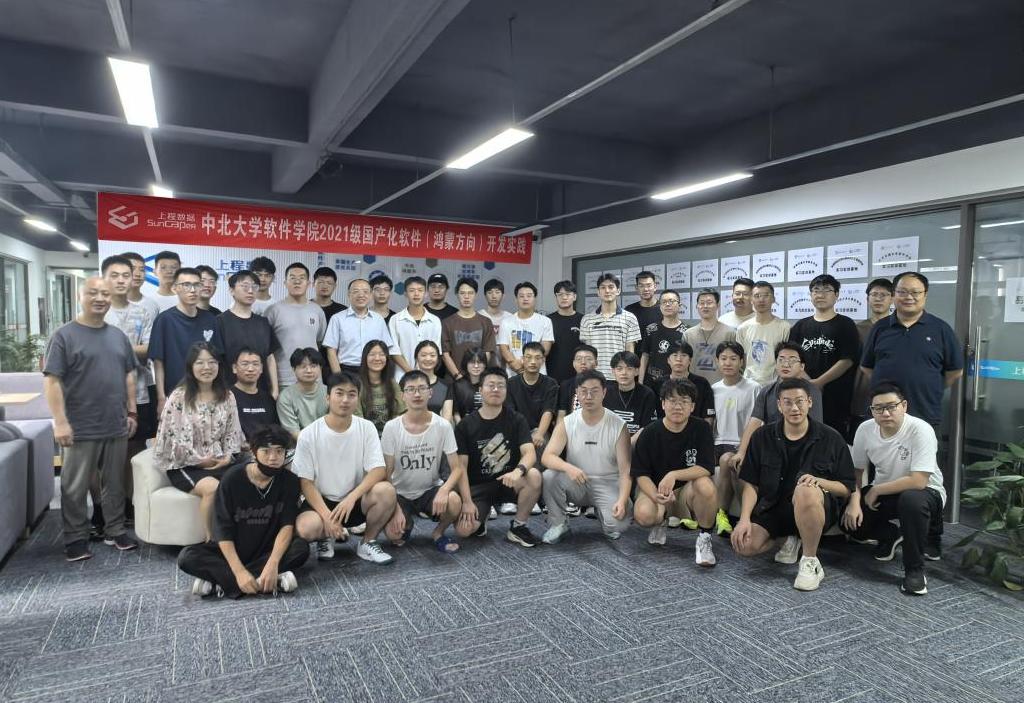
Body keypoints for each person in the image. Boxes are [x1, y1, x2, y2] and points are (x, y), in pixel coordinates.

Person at [44, 276, 139, 561]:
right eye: (93, 293)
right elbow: (52, 381)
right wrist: (60, 422)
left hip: (115, 422)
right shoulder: (63, 335)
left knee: (115, 482)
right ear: (79, 296)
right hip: (79, 425)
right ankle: (75, 537)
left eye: (105, 294)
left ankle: (115, 530)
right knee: (74, 485)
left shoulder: (118, 336)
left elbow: (129, 374)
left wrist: (131, 411)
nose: (100, 298)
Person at [731, 378, 855, 591]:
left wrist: (819, 482)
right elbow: (751, 483)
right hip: (774, 507)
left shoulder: (831, 437)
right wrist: (744, 519)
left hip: (814, 508)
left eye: (799, 401)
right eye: (787, 402)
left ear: (810, 402)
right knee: (745, 545)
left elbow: (846, 487)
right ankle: (788, 538)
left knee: (805, 490)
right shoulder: (762, 436)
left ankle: (810, 561)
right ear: (779, 405)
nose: (794, 408)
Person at [177, 425, 308, 598]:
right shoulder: (233, 479)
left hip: (265, 549)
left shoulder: (290, 481)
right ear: (254, 453)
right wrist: (239, 572)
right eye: (266, 451)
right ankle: (265, 581)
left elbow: (286, 526)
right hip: (233, 549)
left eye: (279, 451)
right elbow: (222, 531)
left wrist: (272, 564)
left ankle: (221, 583)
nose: (273, 458)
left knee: (300, 548)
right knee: (187, 557)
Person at [843, 383, 946, 596]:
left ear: (904, 406)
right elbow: (856, 472)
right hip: (887, 491)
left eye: (891, 406)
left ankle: (914, 570)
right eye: (878, 408)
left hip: (926, 492)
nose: (885, 413)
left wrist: (877, 490)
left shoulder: (920, 429)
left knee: (911, 501)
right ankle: (891, 535)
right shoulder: (865, 429)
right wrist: (854, 502)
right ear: (872, 410)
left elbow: (918, 481)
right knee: (850, 522)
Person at [293, 371, 402, 564]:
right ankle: (325, 537)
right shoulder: (309, 434)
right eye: (339, 393)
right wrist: (327, 516)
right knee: (306, 528)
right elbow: (306, 482)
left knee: (386, 491)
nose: (345, 400)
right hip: (322, 501)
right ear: (328, 397)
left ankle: (368, 542)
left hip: (355, 500)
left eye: (351, 394)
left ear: (357, 399)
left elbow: (378, 470)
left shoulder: (366, 427)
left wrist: (351, 498)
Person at [152, 342, 246, 541]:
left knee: (246, 480)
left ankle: (244, 538)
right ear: (191, 367)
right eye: (200, 363)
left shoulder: (227, 396)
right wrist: (199, 461)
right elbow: (171, 438)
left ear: (219, 365)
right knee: (212, 488)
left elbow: (233, 432)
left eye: (212, 362)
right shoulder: (178, 397)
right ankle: (211, 541)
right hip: (185, 464)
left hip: (219, 460)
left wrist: (228, 457)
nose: (206, 367)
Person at [630, 378, 718, 566]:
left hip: (686, 492)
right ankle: (660, 520)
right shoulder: (650, 432)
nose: (678, 406)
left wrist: (674, 474)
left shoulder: (701, 428)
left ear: (692, 406)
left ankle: (704, 538)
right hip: (656, 490)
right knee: (644, 515)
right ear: (663, 404)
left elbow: (705, 467)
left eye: (684, 401)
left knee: (705, 484)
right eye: (672, 401)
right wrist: (655, 495)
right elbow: (641, 473)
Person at [382, 370, 473, 552]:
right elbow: (386, 473)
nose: (417, 394)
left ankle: (438, 533)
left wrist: (444, 490)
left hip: (429, 490)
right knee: (394, 535)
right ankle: (406, 524)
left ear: (430, 392)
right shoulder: (391, 427)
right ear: (403, 395)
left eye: (422, 388)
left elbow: (457, 468)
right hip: (400, 493)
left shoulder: (443, 425)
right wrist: (395, 508)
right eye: (411, 389)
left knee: (454, 500)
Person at [860, 272, 963, 429]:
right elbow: (867, 367)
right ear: (894, 295)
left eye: (915, 292)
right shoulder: (880, 328)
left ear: (925, 295)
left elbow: (955, 371)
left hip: (924, 411)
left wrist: (931, 386)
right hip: (884, 413)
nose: (909, 297)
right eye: (902, 292)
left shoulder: (941, 329)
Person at [454, 367, 543, 546]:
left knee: (533, 475)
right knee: (464, 531)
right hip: (478, 487)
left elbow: (529, 453)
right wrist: (467, 501)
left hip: (508, 481)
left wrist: (518, 471)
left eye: (501, 386)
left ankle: (518, 527)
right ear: (480, 390)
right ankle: (482, 516)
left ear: (506, 390)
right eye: (491, 385)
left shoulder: (517, 419)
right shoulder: (465, 425)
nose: (496, 389)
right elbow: (461, 467)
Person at [541, 369, 632, 542]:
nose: (588, 396)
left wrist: (622, 500)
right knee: (549, 476)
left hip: (608, 483)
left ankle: (603, 512)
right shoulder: (568, 422)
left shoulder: (619, 425)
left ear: (604, 392)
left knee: (619, 525)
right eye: (583, 391)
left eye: (594, 391)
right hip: (577, 482)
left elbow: (625, 471)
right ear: (577, 392)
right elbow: (547, 456)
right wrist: (568, 467)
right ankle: (559, 523)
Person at [102, 255, 154, 523]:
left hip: (140, 392)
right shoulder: (99, 311)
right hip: (103, 395)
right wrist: (129, 350)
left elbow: (148, 349)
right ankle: (103, 510)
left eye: (126, 275)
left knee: (133, 452)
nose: (122, 280)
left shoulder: (142, 312)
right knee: (103, 455)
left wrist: (113, 347)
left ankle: (128, 504)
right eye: (115, 275)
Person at [730, 342, 824, 483]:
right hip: (772, 449)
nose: (786, 364)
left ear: (802, 367)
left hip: (801, 450)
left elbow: (816, 428)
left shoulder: (812, 391)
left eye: (792, 360)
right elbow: (754, 422)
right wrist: (742, 452)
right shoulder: (766, 391)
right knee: (736, 465)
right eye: (781, 360)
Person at [788, 274, 860, 438]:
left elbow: (847, 360)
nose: (820, 294)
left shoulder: (846, 324)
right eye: (816, 290)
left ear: (836, 295)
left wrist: (819, 382)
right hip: (803, 392)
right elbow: (792, 357)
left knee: (833, 437)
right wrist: (809, 382)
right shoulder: (800, 326)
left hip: (836, 394)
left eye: (827, 290)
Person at [149, 267, 222, 415]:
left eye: (197, 285)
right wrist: (161, 398)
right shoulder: (164, 320)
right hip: (175, 395)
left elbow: (217, 359)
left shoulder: (211, 319)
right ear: (175, 288)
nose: (193, 290)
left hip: (206, 395)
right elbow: (158, 362)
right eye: (186, 285)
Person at [711, 340, 760, 535]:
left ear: (742, 361)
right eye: (723, 358)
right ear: (717, 361)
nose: (728, 363)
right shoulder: (714, 389)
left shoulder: (754, 388)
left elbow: (758, 422)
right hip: (718, 443)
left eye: (733, 358)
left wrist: (744, 448)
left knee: (727, 460)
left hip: (743, 444)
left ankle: (722, 515)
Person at [217, 270, 280, 397]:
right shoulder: (220, 322)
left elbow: (270, 357)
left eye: (254, 287)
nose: (250, 291)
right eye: (245, 286)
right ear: (231, 290)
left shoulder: (263, 322)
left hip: (261, 391)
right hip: (228, 392)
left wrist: (275, 389)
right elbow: (216, 359)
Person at [265, 263, 328, 387]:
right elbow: (267, 348)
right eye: (292, 278)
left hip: (313, 378)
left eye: (301, 278)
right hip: (284, 379)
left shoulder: (317, 310)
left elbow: (319, 341)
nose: (297, 282)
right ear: (285, 283)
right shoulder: (273, 311)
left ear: (308, 284)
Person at [323, 278, 399, 375]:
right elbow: (331, 351)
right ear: (348, 294)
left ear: (370, 295)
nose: (361, 295)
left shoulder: (378, 319)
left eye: (365, 292)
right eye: (356, 291)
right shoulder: (337, 318)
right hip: (347, 370)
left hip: (374, 371)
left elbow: (386, 349)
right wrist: (339, 377)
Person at [850, 278, 894, 427]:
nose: (878, 299)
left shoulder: (899, 328)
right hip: (862, 392)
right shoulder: (857, 329)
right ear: (867, 298)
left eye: (884, 295)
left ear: (892, 299)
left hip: (892, 392)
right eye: (874, 294)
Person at [580, 273, 641, 377]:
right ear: (598, 292)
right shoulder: (587, 319)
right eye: (603, 287)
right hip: (595, 376)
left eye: (611, 287)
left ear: (618, 290)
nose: (607, 291)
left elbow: (630, 351)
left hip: (620, 376)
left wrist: (627, 374)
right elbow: (588, 351)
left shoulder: (630, 318)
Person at [506, 342, 559, 452]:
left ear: (543, 360)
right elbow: (510, 413)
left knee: (542, 443)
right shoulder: (510, 384)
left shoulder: (551, 384)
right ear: (522, 359)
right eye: (528, 357)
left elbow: (548, 411)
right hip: (517, 430)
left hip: (541, 431)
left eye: (537, 358)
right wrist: (523, 435)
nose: (533, 362)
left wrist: (539, 433)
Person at [736, 281, 791, 385]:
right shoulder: (743, 328)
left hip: (775, 385)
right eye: (757, 296)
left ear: (773, 299)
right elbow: (740, 360)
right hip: (749, 385)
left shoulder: (784, 327)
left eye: (766, 295)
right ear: (751, 300)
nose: (761, 299)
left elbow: (787, 359)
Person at [441, 277, 497, 378]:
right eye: (462, 293)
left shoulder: (486, 322)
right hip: (454, 379)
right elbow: (445, 355)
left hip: (479, 379)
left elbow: (488, 352)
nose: (466, 297)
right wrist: (458, 376)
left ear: (475, 295)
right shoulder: (447, 323)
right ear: (457, 295)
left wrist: (477, 374)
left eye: (470, 293)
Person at [389, 275, 442, 380]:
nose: (416, 294)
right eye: (412, 290)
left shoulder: (435, 321)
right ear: (405, 294)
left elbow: (436, 351)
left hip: (427, 377)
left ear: (426, 294)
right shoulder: (395, 320)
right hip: (401, 376)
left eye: (420, 290)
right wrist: (411, 372)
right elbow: (394, 351)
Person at [498, 281, 554, 375]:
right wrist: (515, 365)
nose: (525, 299)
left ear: (535, 299)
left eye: (529, 296)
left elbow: (545, 349)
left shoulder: (545, 321)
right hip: (513, 373)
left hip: (538, 373)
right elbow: (504, 348)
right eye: (521, 296)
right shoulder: (506, 322)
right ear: (516, 299)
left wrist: (529, 363)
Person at [602, 351, 658, 444]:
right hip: (609, 442)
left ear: (636, 371)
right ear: (613, 371)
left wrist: (627, 445)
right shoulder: (605, 392)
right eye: (619, 369)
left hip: (636, 443)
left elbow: (646, 427)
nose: (624, 373)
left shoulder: (647, 394)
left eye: (629, 368)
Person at [685, 288, 737, 386]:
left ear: (718, 305)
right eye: (702, 303)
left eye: (709, 303)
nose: (705, 306)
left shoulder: (730, 333)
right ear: (697, 306)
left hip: (722, 388)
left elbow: (737, 364)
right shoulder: (688, 335)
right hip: (694, 388)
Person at [639, 289, 687, 390]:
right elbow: (644, 356)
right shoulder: (651, 329)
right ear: (660, 306)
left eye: (671, 301)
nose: (667, 304)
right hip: (652, 383)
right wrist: (640, 382)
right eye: (664, 302)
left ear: (679, 305)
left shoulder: (687, 332)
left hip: (677, 384)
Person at [276, 348, 329, 439]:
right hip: (300, 443)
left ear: (320, 368)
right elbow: (293, 432)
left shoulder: (329, 392)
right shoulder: (286, 397)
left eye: (313, 366)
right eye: (303, 367)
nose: (309, 370)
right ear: (294, 369)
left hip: (328, 440)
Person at [657, 341, 714, 424]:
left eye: (683, 355)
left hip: (695, 430)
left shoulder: (702, 383)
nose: (679, 359)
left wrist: (705, 430)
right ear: (668, 360)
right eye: (675, 355)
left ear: (690, 360)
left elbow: (708, 416)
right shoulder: (658, 384)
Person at [357, 339, 406, 434]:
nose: (377, 358)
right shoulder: (357, 385)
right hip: (365, 436)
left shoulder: (393, 383)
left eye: (382, 354)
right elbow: (357, 418)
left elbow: (401, 413)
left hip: (391, 435)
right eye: (372, 354)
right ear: (365, 358)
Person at [230, 348, 279, 441]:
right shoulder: (227, 397)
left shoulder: (268, 399)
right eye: (245, 364)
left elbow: (276, 429)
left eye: (255, 364)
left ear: (261, 369)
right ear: (234, 368)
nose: (250, 369)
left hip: (268, 446)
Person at [313, 266, 348, 383]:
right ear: (313, 284)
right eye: (321, 282)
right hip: (310, 363)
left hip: (336, 364)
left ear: (335, 286)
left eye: (329, 283)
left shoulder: (343, 311)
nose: (325, 286)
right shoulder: (306, 308)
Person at [547, 280, 584, 383]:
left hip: (577, 375)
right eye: (560, 295)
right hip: (552, 375)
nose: (564, 297)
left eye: (568, 294)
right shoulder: (547, 321)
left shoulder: (583, 320)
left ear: (574, 297)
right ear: (556, 297)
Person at [556, 344, 599, 422]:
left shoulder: (603, 385)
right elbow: (562, 413)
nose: (583, 362)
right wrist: (559, 429)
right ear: (573, 363)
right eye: (579, 359)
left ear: (596, 363)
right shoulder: (566, 385)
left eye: (588, 359)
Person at [413, 340, 453, 422]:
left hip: (438, 428)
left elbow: (447, 418)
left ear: (438, 359)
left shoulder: (446, 385)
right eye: (423, 355)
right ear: (416, 358)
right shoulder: (408, 383)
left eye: (432, 355)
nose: (428, 359)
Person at [480, 278, 514, 367]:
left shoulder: (510, 318)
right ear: (485, 295)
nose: (494, 296)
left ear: (503, 295)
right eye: (490, 292)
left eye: (497, 292)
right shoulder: (479, 316)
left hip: (507, 366)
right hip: (483, 365)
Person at [121, 251, 161, 321]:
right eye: (132, 269)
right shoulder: (106, 305)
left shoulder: (152, 305)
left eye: (142, 270)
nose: (138, 274)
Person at [452, 347, 488, 423]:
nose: (476, 366)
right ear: (466, 364)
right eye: (472, 362)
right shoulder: (458, 385)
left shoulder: (490, 385)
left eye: (479, 362)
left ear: (485, 365)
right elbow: (456, 413)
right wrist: (461, 428)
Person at [625, 270, 662, 341]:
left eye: (649, 285)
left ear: (655, 287)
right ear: (636, 288)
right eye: (641, 286)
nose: (645, 289)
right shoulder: (629, 310)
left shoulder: (664, 309)